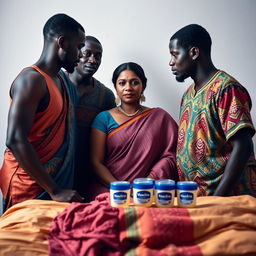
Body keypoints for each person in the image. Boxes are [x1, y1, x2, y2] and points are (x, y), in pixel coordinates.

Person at [0, 13, 86, 211]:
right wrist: (55, 190)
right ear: (63, 42)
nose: (81, 55)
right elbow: (15, 139)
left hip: (51, 181)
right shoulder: (31, 80)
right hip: (27, 185)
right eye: (79, 47)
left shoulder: (61, 80)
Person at [169, 24, 256, 196]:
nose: (171, 62)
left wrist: (219, 199)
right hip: (198, 199)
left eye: (175, 54)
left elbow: (243, 145)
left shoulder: (226, 88)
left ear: (194, 53)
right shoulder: (187, 95)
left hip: (228, 200)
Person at [87, 62, 178, 201]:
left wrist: (145, 185)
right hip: (109, 189)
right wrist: (122, 189)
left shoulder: (159, 117)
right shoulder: (103, 118)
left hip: (146, 190)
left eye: (134, 82)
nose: (128, 88)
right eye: (122, 83)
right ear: (116, 88)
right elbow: (96, 162)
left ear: (143, 86)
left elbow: (172, 155)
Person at [67, 36, 116, 199]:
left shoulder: (106, 96)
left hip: (86, 173)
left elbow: (111, 137)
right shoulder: (56, 83)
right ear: (76, 53)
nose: (93, 60)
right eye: (87, 53)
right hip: (54, 171)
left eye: (98, 56)